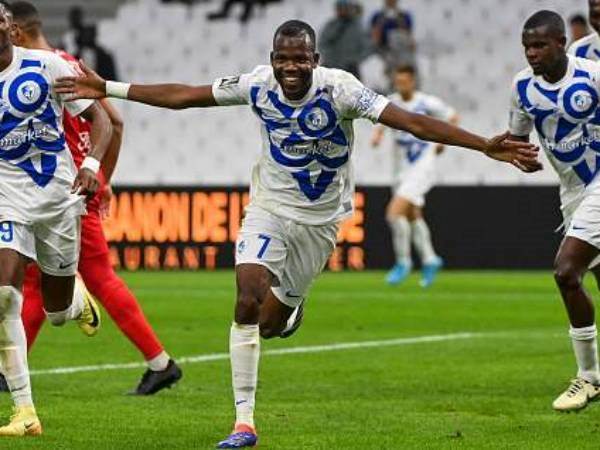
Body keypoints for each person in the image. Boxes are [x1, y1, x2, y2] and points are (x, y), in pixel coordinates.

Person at [54, 20, 540, 448]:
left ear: (315, 59)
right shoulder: (257, 84)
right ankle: (244, 422)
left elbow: (410, 121)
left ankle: (289, 310)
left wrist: (483, 145)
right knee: (246, 298)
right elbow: (186, 97)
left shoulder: (341, 90)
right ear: (272, 59)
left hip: (320, 222)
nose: (291, 68)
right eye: (283, 59)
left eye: (300, 59)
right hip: (269, 207)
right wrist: (109, 87)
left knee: (269, 324)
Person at [7, 0, 182, 396]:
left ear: (16, 32)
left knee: (91, 278)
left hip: (60, 192)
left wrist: (96, 178)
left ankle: (160, 362)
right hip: (69, 188)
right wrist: (103, 179)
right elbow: (114, 121)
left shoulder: (40, 71)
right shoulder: (67, 63)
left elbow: (111, 123)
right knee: (36, 281)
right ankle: (9, 370)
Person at [0, 3, 112, 436]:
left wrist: (93, 165)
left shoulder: (47, 65)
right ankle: (25, 411)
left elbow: (101, 118)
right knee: (4, 296)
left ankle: (75, 301)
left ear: (10, 26)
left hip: (59, 198)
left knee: (58, 311)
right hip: (8, 199)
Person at [509, 10, 600, 411]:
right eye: (527, 46)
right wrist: (520, 156)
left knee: (566, 271)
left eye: (540, 45)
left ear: (561, 43)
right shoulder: (521, 87)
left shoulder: (592, 75)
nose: (532, 53)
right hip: (573, 191)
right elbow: (518, 138)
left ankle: (589, 377)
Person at [371, 65, 458, 287]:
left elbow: (453, 117)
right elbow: (380, 121)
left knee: (393, 213)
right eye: (398, 81)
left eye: (405, 81)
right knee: (413, 215)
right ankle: (430, 259)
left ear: (412, 81)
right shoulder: (392, 102)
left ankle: (403, 262)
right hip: (401, 169)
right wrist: (378, 134)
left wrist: (442, 142)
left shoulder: (427, 103)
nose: (401, 85)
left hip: (422, 166)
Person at [319, 0, 371, 79]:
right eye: (340, 8)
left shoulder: (357, 27)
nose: (342, 10)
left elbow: (366, 47)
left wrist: (354, 60)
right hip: (331, 67)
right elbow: (322, 44)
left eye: (344, 8)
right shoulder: (330, 26)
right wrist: (330, 58)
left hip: (350, 69)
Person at [370, 0, 415, 88]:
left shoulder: (404, 16)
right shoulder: (378, 16)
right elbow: (373, 35)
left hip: (401, 55)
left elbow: (409, 36)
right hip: (382, 53)